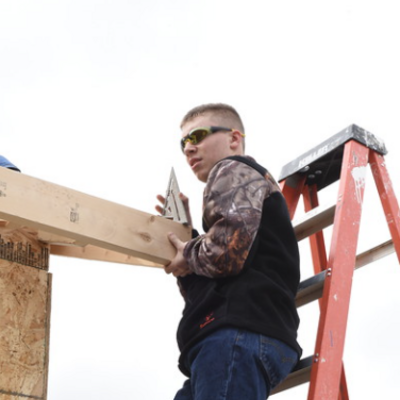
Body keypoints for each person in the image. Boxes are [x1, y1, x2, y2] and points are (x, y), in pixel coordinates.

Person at [157, 103, 302, 400]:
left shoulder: (233, 169)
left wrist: (191, 250)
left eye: (197, 136)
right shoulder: (233, 191)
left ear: (234, 139)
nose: (188, 148)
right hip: (225, 341)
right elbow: (214, 277)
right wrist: (189, 239)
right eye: (183, 142)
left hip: (238, 337)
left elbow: (225, 256)